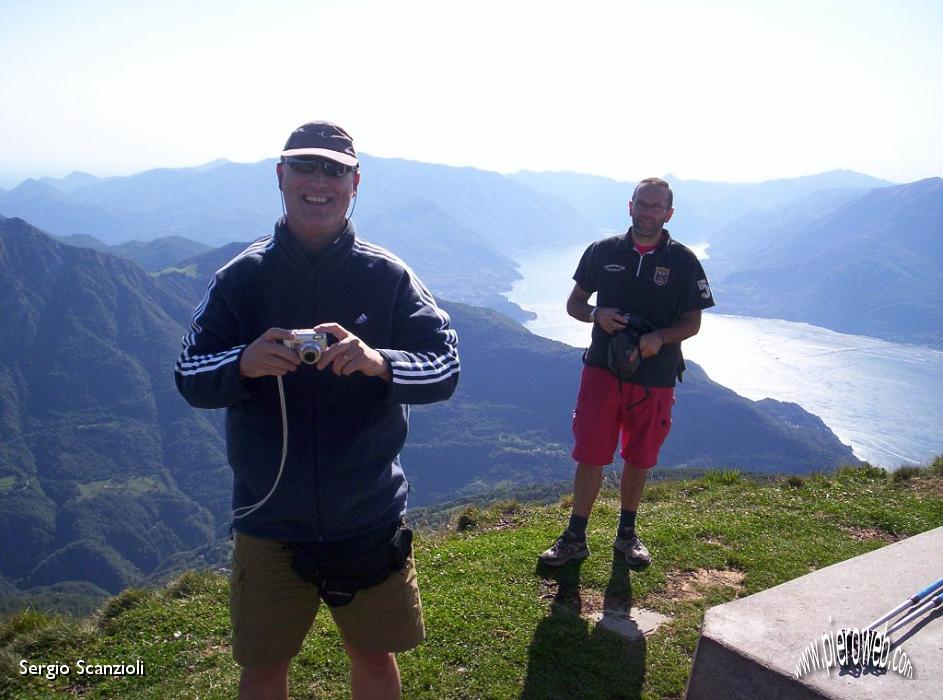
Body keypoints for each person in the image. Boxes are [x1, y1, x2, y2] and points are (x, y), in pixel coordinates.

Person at [175, 122, 459, 699]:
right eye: (306, 166)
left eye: (334, 170)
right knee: (263, 666)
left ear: (356, 183)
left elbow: (446, 365)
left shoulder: (388, 276)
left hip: (368, 518)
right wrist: (245, 361)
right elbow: (188, 374)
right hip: (270, 521)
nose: (319, 182)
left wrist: (380, 363)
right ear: (281, 176)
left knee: (373, 657)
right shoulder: (241, 278)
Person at [539, 177, 713, 568]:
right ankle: (575, 536)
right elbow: (575, 304)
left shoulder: (683, 261)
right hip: (602, 368)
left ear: (668, 214)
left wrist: (661, 338)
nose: (648, 212)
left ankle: (627, 535)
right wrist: (596, 314)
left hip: (656, 374)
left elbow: (692, 323)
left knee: (639, 455)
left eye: (656, 206)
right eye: (642, 204)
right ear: (629, 206)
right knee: (591, 452)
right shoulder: (602, 252)